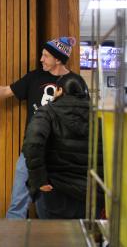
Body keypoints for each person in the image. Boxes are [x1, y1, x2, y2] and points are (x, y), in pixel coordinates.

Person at [0, 36, 88, 219]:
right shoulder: (35, 77)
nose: (41, 59)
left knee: (50, 207)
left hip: (60, 156)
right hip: (31, 151)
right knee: (17, 204)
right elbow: (5, 91)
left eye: (45, 56)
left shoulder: (75, 82)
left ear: (58, 59)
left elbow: (84, 116)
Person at [22, 74, 103, 219]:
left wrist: (39, 180)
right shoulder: (99, 115)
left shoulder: (47, 112)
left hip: (56, 191)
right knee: (84, 239)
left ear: (59, 91)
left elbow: (32, 144)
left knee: (53, 239)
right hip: (92, 194)